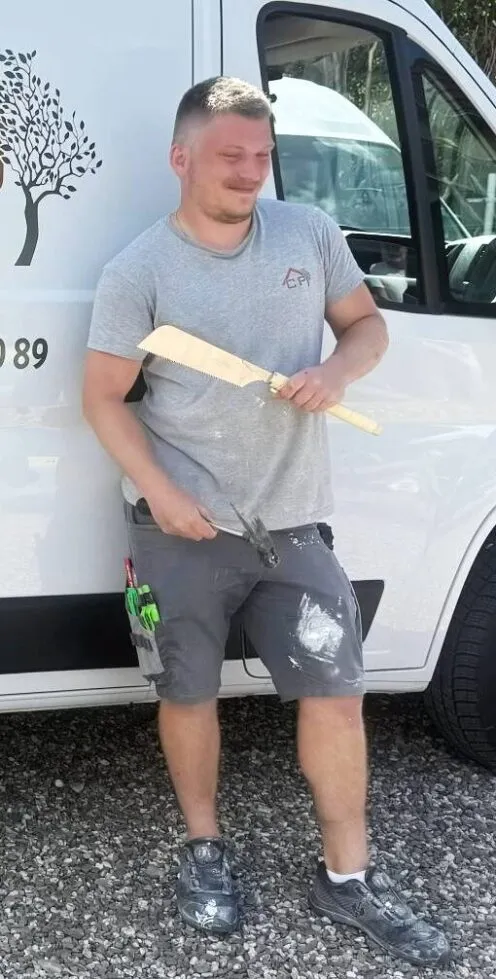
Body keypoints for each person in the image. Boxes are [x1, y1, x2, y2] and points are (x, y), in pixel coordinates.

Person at [82, 76, 450, 967]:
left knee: (337, 691)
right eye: (230, 156)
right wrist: (162, 492)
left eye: (261, 155)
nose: (250, 172)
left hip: (294, 523)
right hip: (181, 527)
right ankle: (204, 848)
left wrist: (337, 371)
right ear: (181, 159)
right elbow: (102, 399)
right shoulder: (139, 270)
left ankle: (348, 875)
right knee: (187, 691)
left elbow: (366, 328)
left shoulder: (309, 234)